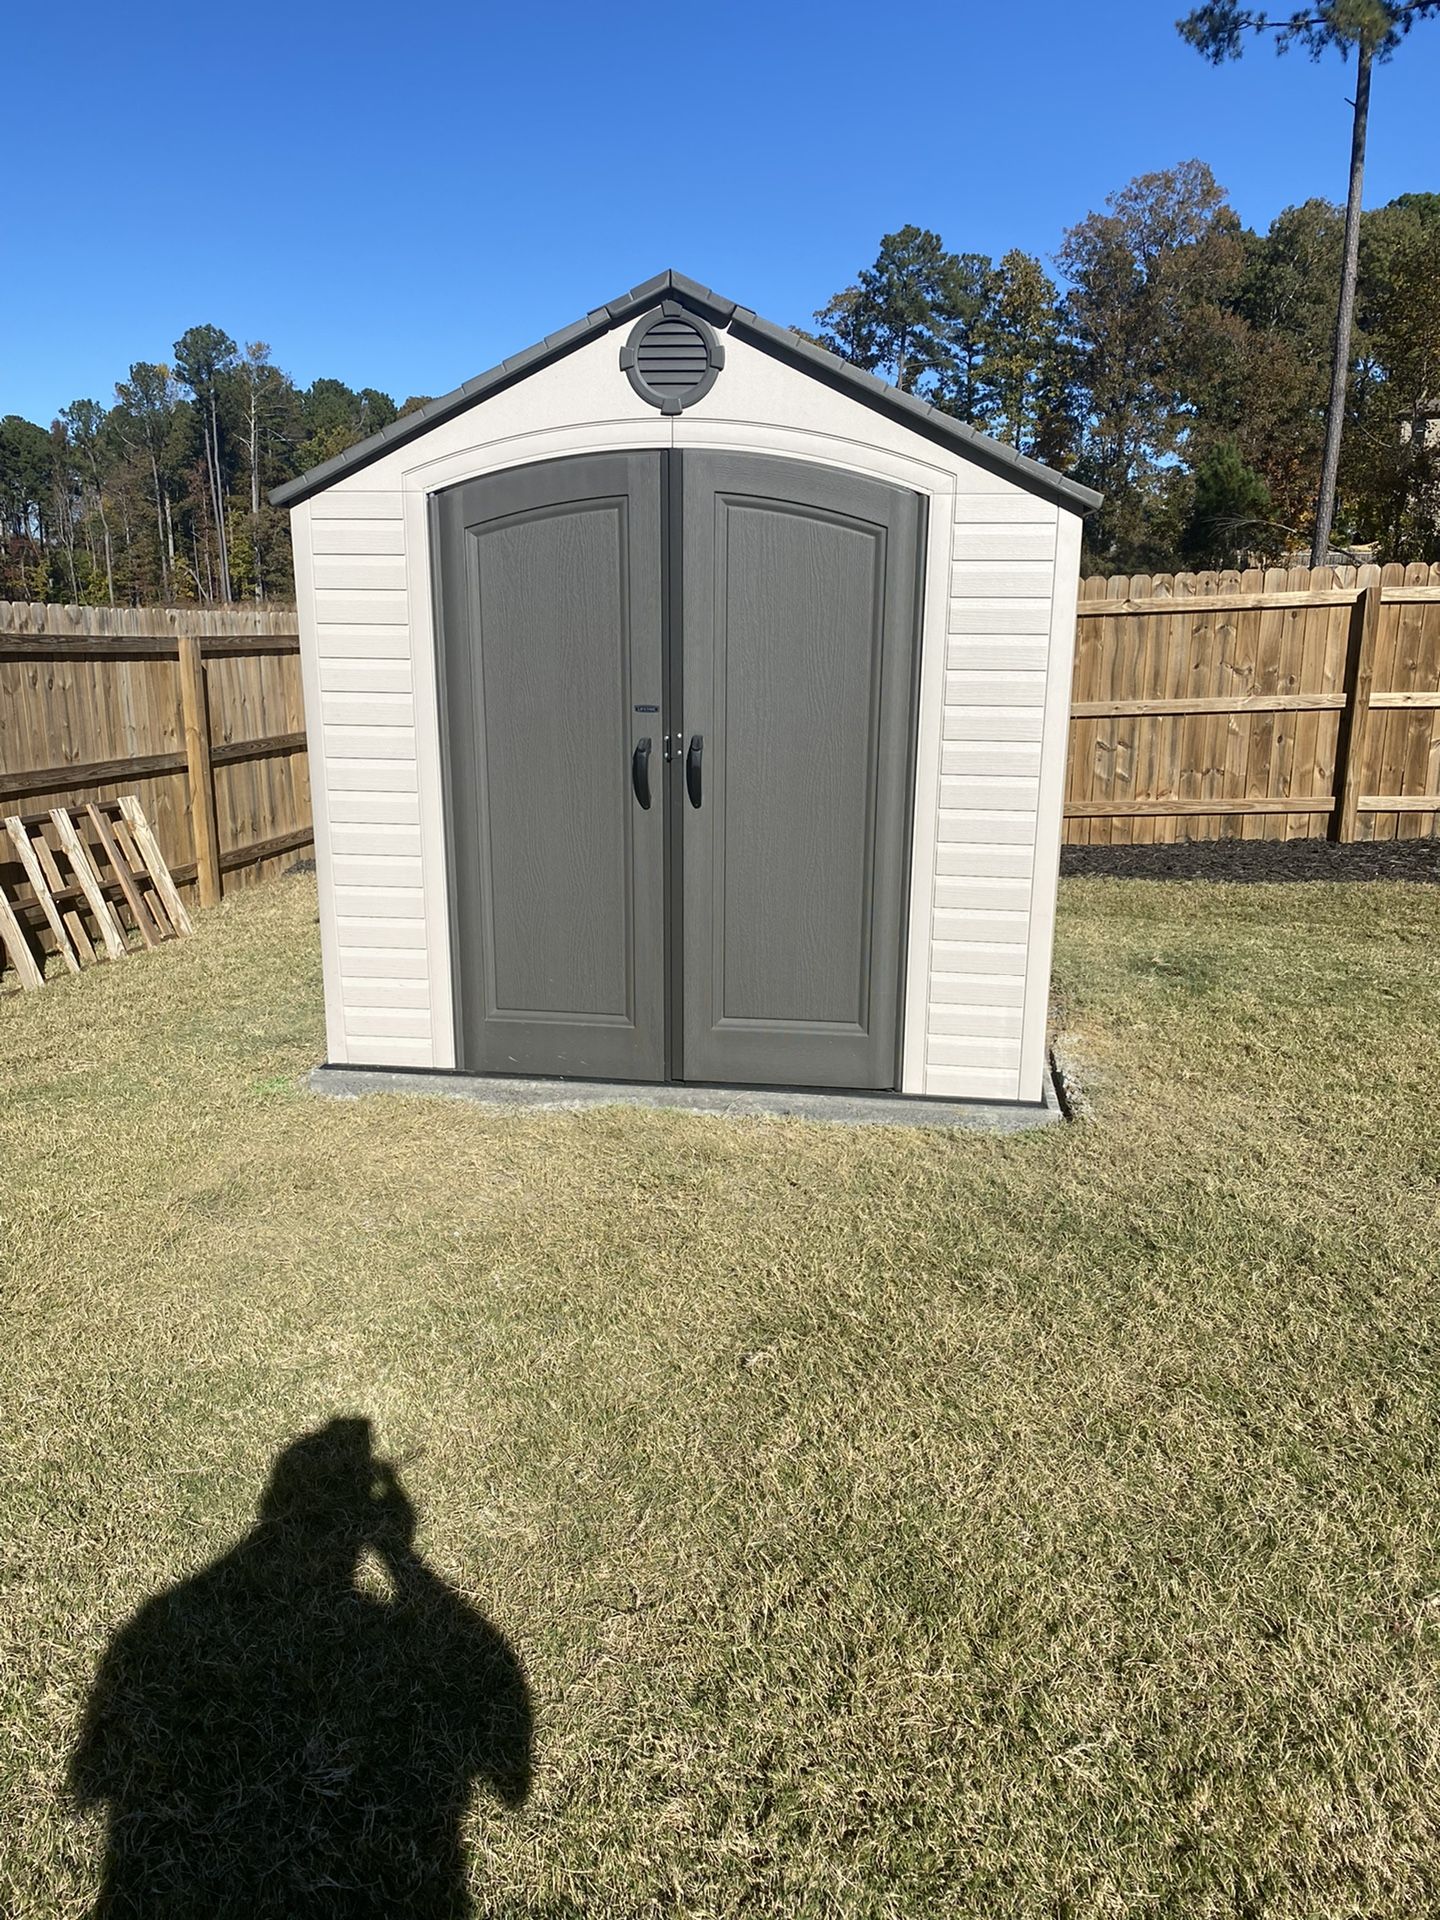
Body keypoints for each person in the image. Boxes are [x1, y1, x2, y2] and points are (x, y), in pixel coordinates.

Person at [70, 1417, 531, 1916]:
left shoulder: (157, 1624)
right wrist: (398, 1554)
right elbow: (511, 1784)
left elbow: (90, 1779)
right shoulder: (163, 1623)